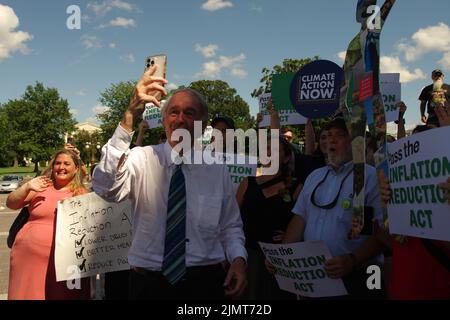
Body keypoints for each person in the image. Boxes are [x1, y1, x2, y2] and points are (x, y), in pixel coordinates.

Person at [92, 65, 247, 300]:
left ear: (203, 126)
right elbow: (105, 188)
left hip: (205, 283)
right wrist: (129, 117)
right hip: (148, 284)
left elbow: (230, 226)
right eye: (173, 112)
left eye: (190, 113)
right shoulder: (140, 158)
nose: (180, 119)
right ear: (164, 121)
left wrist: (238, 259)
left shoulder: (216, 169)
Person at [279, 118, 385, 299]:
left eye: (339, 135)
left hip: (355, 278)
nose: (330, 140)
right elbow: (300, 219)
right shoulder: (314, 177)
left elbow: (379, 233)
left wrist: (352, 260)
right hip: (314, 280)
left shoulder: (369, 177)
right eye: (326, 136)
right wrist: (283, 257)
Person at [7, 149, 90, 300]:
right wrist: (26, 187)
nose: (61, 167)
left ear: (76, 168)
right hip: (27, 257)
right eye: (58, 163)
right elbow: (11, 204)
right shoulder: (40, 187)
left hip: (64, 263)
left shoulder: (82, 194)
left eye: (67, 164)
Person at [236, 137, 298, 300]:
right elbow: (232, 220)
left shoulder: (296, 188)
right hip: (247, 256)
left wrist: (291, 237)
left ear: (286, 158)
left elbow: (303, 221)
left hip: (277, 261)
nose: (268, 152)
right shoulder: (247, 183)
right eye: (266, 148)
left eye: (275, 149)